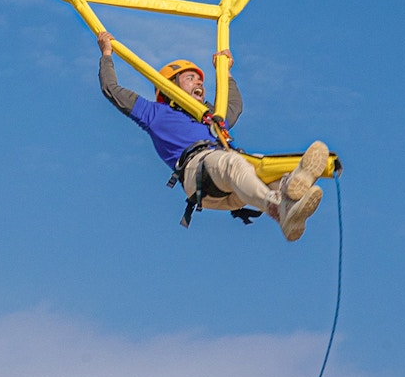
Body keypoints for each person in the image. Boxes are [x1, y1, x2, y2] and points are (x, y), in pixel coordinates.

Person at [96, 30, 327, 241]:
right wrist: (107, 54)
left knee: (265, 166)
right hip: (199, 175)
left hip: (235, 189)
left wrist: (225, 72)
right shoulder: (156, 113)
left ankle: (290, 197)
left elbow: (234, 106)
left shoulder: (209, 117)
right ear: (169, 87)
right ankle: (279, 207)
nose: (199, 82)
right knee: (233, 162)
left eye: (200, 80)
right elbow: (112, 89)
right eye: (190, 78)